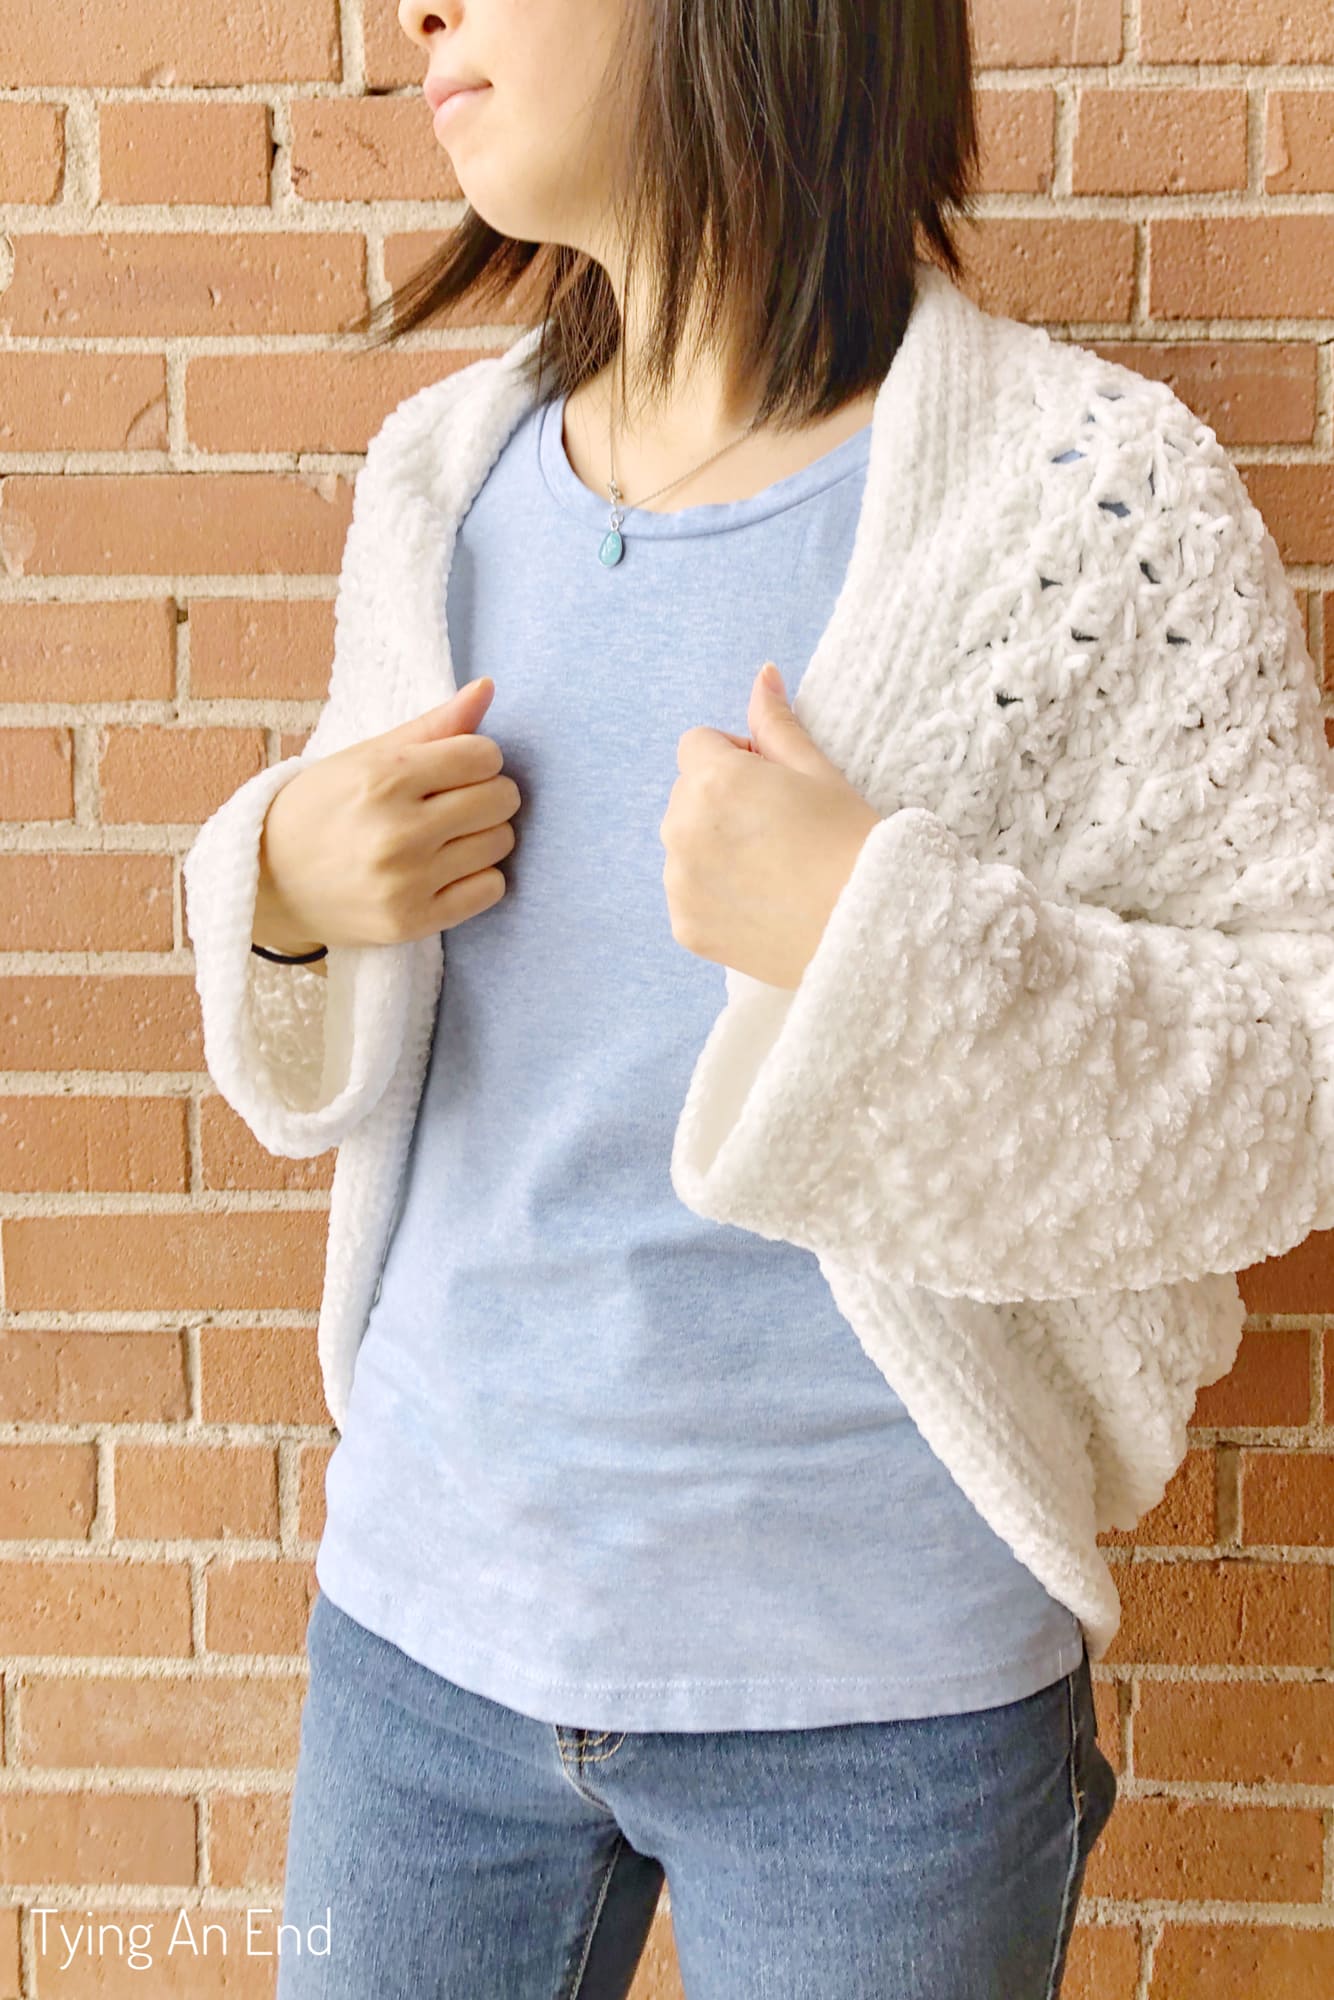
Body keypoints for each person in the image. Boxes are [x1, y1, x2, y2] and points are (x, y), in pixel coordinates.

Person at [179, 2, 1334, 1995]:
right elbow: (354, 992)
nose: (413, 13)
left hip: (875, 1698)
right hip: (418, 1638)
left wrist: (874, 932)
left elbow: (1296, 1066)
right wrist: (275, 883)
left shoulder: (1083, 499)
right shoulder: (439, 476)